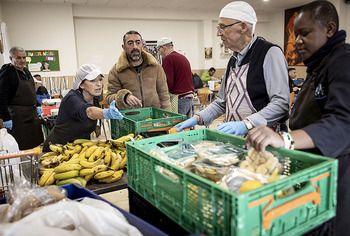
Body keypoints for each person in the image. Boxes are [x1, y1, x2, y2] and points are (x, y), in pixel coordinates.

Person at [246, 1, 350, 235]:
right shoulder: (317, 65)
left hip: (337, 172)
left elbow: (343, 121)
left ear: (329, 29)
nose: (297, 41)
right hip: (312, 169)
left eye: (305, 33)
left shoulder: (343, 61)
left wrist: (286, 139)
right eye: (295, 35)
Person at [175, 1, 289, 136]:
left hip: (263, 141)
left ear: (243, 27)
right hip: (237, 140)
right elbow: (221, 103)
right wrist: (197, 118)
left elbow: (281, 104)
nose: (218, 33)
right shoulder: (233, 60)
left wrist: (246, 124)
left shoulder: (269, 53)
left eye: (222, 27)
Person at [43, 64, 124, 152]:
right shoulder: (72, 98)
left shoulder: (95, 98)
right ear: (81, 84)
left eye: (100, 79)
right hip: (58, 148)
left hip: (79, 147)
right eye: (92, 80)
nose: (99, 84)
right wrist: (106, 113)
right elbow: (89, 111)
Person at [106, 30, 171, 111]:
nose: (135, 47)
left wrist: (167, 116)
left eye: (138, 42)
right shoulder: (116, 70)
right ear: (124, 47)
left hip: (154, 118)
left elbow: (164, 96)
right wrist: (124, 97)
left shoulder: (155, 67)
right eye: (130, 43)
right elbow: (109, 97)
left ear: (142, 45)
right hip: (130, 120)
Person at [0, 46, 43, 150]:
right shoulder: (7, 73)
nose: (22, 61)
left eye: (24, 57)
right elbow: (2, 98)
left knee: (35, 144)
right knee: (21, 146)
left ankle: (35, 163)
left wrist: (37, 104)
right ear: (11, 58)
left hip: (32, 115)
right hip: (18, 118)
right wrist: (6, 118)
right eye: (18, 58)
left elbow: (31, 91)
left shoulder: (26, 71)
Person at [157, 37, 194, 118]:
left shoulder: (168, 59)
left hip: (179, 99)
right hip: (189, 98)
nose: (159, 53)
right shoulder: (182, 57)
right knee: (186, 127)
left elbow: (168, 82)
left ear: (163, 48)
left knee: (177, 126)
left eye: (159, 50)